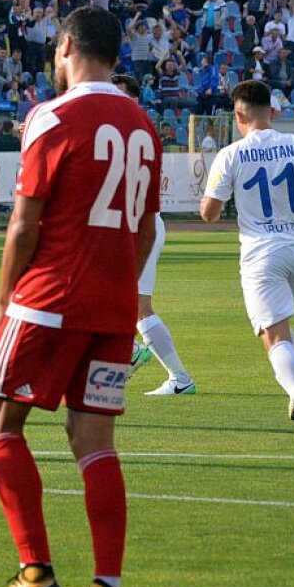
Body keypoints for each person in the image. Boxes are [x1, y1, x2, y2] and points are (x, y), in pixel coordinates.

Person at [0, 7, 161, 587]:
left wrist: (6, 299)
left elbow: (24, 223)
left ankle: (34, 575)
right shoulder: (144, 124)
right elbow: (146, 228)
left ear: (67, 46)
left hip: (49, 299)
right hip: (112, 305)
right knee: (93, 439)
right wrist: (122, 290)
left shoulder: (52, 116)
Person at [200, 80, 294, 448]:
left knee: (274, 336)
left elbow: (209, 214)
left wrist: (219, 191)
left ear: (238, 115)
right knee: (280, 325)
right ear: (273, 111)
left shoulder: (230, 154)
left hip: (262, 254)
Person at [112, 74, 195, 396]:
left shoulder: (134, 130)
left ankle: (175, 375)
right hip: (131, 224)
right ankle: (134, 354)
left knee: (139, 307)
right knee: (126, 304)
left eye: (119, 94)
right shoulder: (133, 129)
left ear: (133, 99)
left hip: (138, 226)